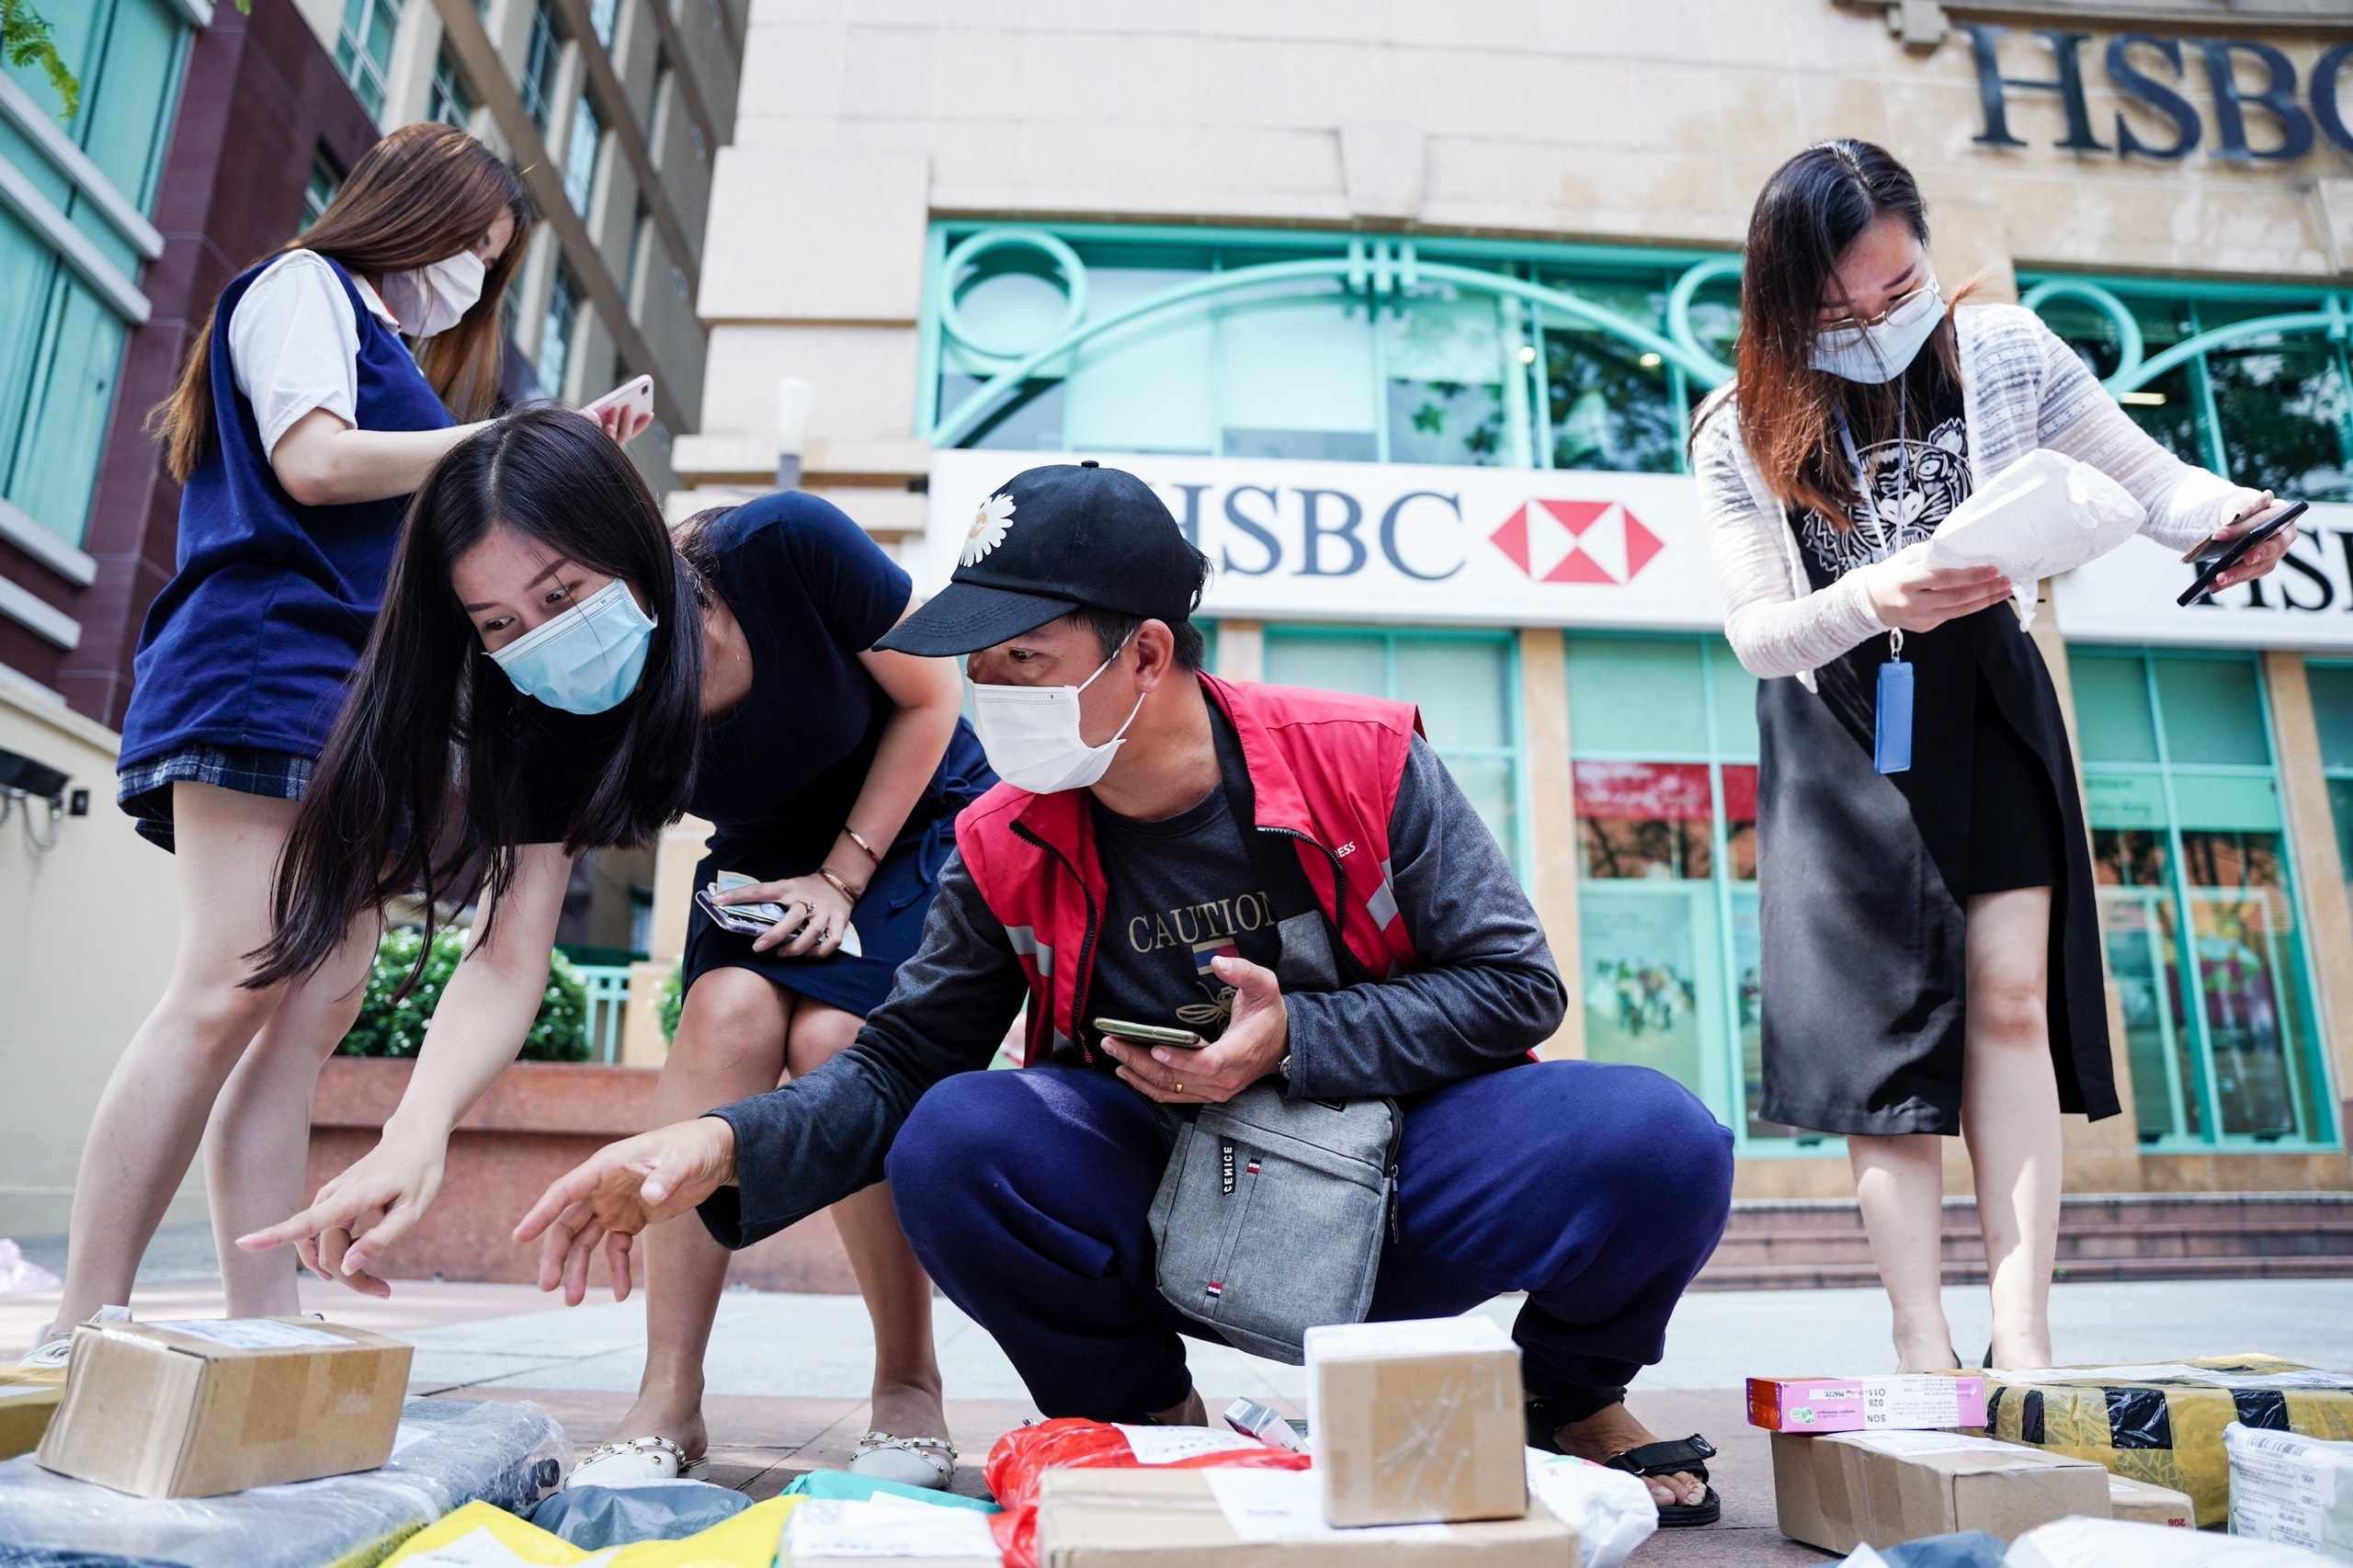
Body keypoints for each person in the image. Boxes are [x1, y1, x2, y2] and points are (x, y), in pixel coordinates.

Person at [513, 460, 1740, 1525]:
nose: (990, 694)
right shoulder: (1000, 836)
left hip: (1404, 1167)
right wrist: (714, 1141)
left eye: (1025, 659)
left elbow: (1514, 986)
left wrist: (1294, 1035)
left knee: (1658, 1136)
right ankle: (1149, 1413)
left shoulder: (1362, 756)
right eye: (976, 666)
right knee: (958, 1132)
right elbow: (899, 1066)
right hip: (1159, 1185)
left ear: (1146, 652)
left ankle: (1568, 1399)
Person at [235, 406, 989, 1488]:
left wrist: (844, 873)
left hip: (911, 815)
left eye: (560, 595)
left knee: (834, 1038)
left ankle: (907, 1382)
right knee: (727, 1014)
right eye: (493, 622)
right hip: (763, 853)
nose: (534, 639)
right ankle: (666, 1396)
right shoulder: (534, 711)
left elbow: (931, 692)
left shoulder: (782, 546)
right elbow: (507, 953)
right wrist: (416, 1129)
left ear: (632, 541)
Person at [1691, 140, 2297, 1372]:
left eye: (1897, 288)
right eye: (1833, 306)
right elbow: (1760, 632)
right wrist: (1882, 590)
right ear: (1780, 298)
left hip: (1990, 687)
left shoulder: (2006, 345)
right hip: (1844, 715)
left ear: (1926, 252)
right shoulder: (1737, 425)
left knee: (2009, 996)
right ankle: (1924, 1340)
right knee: (1890, 1038)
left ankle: (2023, 1331)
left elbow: (2147, 480)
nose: (1871, 322)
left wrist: (2231, 515)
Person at [22, 123, 610, 1363]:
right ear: (409, 211)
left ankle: (261, 1326)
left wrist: (545, 454)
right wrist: (501, 439)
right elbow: (317, 461)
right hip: (263, 670)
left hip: (349, 708)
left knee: (306, 1016)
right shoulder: (300, 290)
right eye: (471, 243)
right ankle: (85, 1318)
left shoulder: (393, 353)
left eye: (489, 261)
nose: (470, 275)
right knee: (226, 989)